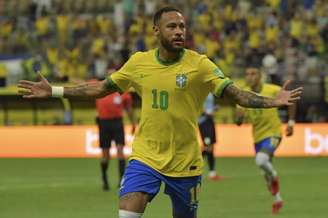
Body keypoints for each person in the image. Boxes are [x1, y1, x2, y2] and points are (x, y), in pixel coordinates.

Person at [18, 6, 302, 218]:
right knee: (128, 210)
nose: (179, 31)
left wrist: (271, 101)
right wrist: (55, 90)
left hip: (186, 162)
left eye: (182, 26)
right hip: (146, 156)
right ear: (156, 31)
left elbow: (236, 93)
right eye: (171, 26)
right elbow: (102, 88)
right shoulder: (138, 63)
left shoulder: (200, 64)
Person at [235, 67, 297, 214]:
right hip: (257, 137)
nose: (249, 76)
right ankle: (278, 200)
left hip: (273, 133)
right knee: (265, 174)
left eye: (253, 73)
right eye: (247, 74)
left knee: (261, 160)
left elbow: (291, 100)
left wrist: (291, 122)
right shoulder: (242, 94)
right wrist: (239, 116)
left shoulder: (271, 89)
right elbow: (238, 122)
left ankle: (275, 176)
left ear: (260, 76)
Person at [96, 90, 135, 191]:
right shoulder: (100, 88)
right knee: (105, 155)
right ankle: (104, 178)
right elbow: (85, 86)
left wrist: (133, 123)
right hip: (104, 124)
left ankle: (121, 181)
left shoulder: (124, 93)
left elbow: (129, 108)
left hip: (117, 123)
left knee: (120, 150)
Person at [198, 93, 221, 181]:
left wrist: (214, 109)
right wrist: (206, 112)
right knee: (208, 147)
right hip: (203, 122)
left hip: (210, 121)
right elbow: (197, 104)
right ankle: (192, 165)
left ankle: (212, 173)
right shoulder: (200, 91)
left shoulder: (210, 93)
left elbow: (208, 107)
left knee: (210, 146)